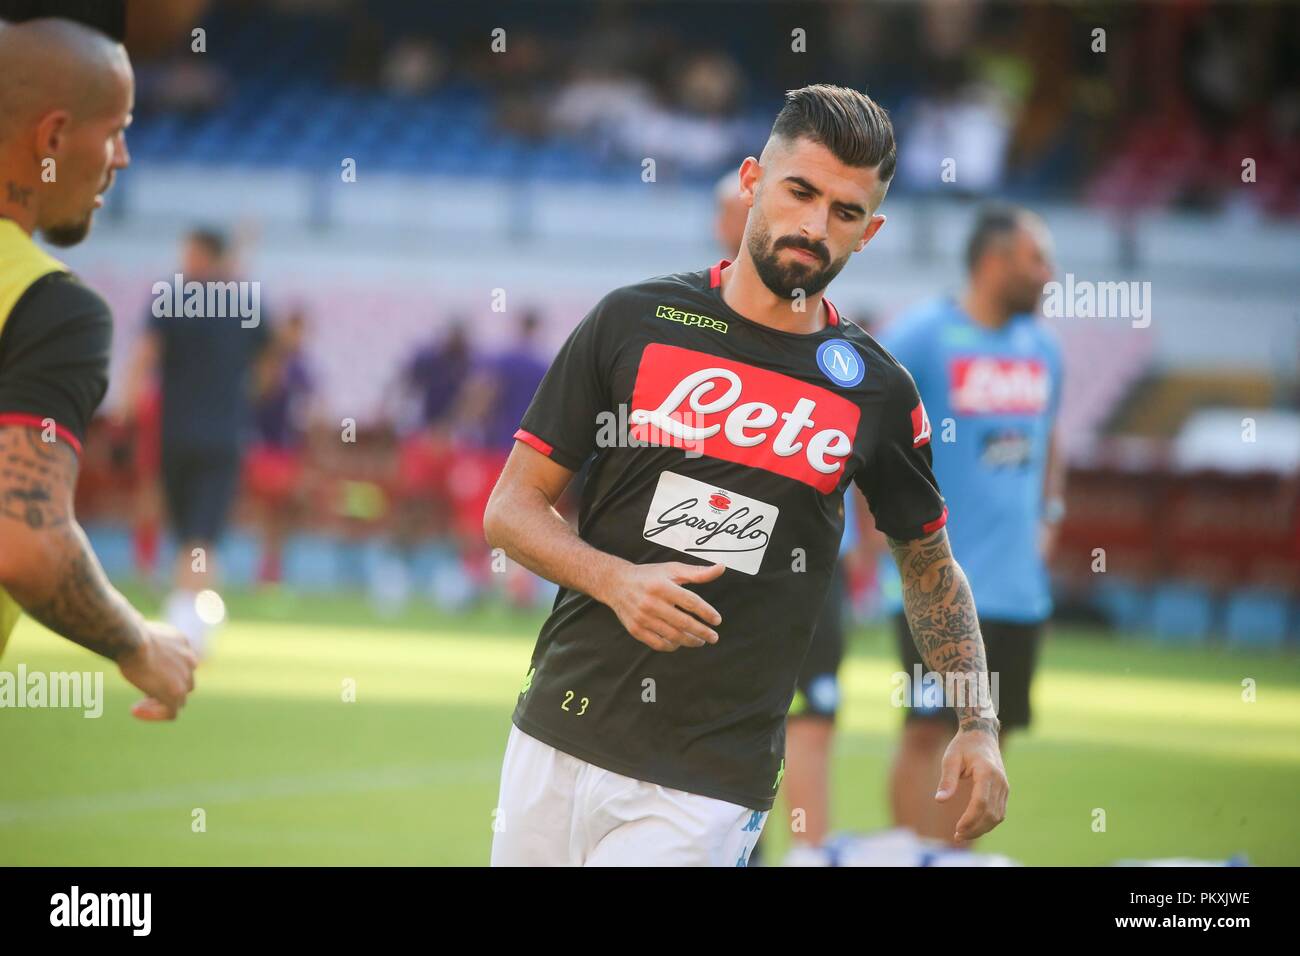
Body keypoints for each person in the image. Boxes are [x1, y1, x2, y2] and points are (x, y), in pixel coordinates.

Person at [485, 84, 1007, 866]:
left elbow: (929, 569)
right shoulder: (632, 322)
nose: (814, 226)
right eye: (800, 191)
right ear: (754, 179)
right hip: (557, 728)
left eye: (845, 212)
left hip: (707, 779)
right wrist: (616, 580)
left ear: (871, 232)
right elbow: (512, 509)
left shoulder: (876, 389)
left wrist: (978, 725)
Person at [0, 16, 196, 719]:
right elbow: (23, 539)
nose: (123, 157)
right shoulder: (46, 303)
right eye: (115, 129)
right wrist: (136, 641)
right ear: (52, 140)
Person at [880, 203, 1063, 846]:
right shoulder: (920, 336)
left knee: (990, 737)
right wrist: (859, 543)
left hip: (1018, 589)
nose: (1050, 273)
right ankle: (917, 858)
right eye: (1037, 259)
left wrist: (1051, 515)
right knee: (928, 728)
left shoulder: (1043, 348)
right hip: (936, 583)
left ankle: (956, 859)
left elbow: (1052, 440)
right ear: (993, 262)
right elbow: (869, 440)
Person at [716, 168, 855, 865]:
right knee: (718, 722)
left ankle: (808, 854)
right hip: (722, 560)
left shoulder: (830, 340)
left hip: (810, 570)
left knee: (811, 720)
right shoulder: (684, 323)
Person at [122, 227, 272, 655]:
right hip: (220, 434)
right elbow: (267, 365)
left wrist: (125, 418)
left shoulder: (170, 300)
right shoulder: (245, 302)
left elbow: (143, 360)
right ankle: (194, 614)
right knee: (197, 534)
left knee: (195, 534)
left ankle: (187, 621)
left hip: (182, 435)